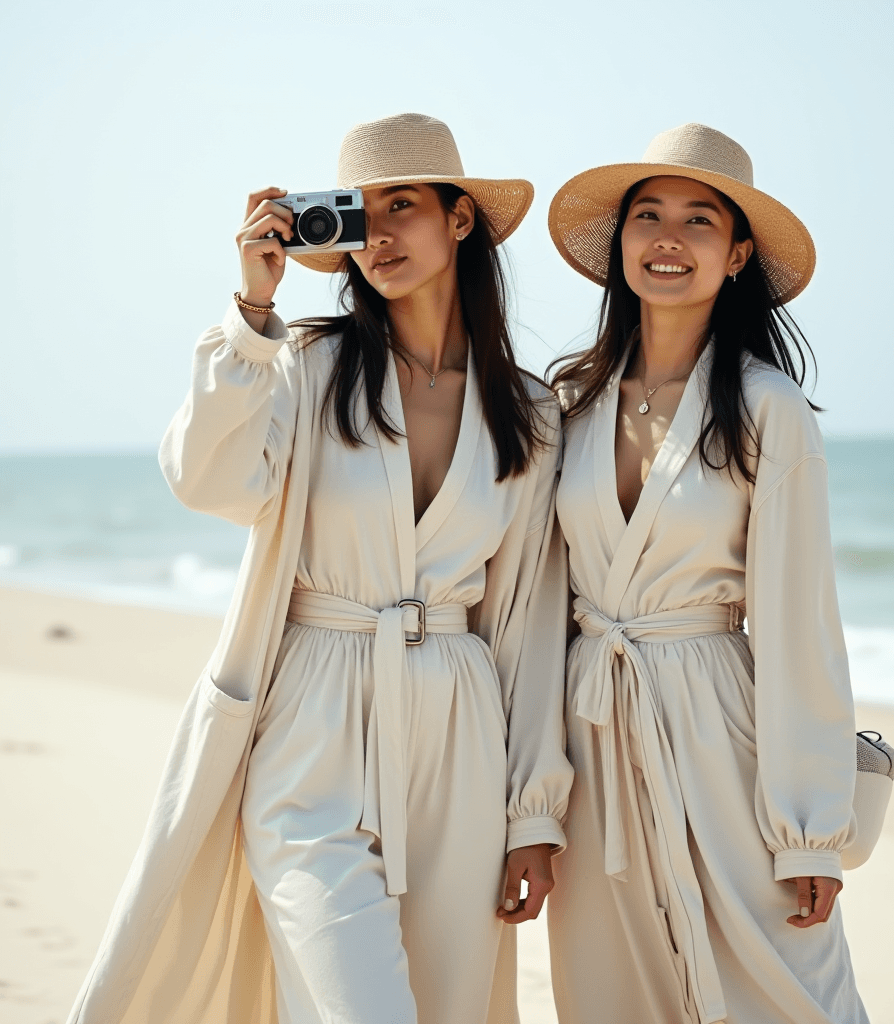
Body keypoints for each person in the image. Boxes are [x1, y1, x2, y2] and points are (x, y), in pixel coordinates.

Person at [67, 112, 572, 1024]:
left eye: (404, 206)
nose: (378, 234)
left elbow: (529, 621)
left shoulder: (530, 414)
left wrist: (532, 812)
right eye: (359, 210)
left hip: (460, 728)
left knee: (450, 1008)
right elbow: (204, 480)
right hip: (315, 717)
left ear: (460, 221)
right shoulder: (302, 365)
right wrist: (252, 314)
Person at [545, 123, 867, 1023]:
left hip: (721, 728)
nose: (667, 240)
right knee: (613, 990)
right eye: (647, 217)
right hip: (593, 731)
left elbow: (801, 623)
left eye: (697, 220)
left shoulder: (770, 409)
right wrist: (528, 799)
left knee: (784, 988)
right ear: (620, 249)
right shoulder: (566, 404)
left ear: (737, 255)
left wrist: (809, 830)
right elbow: (535, 611)